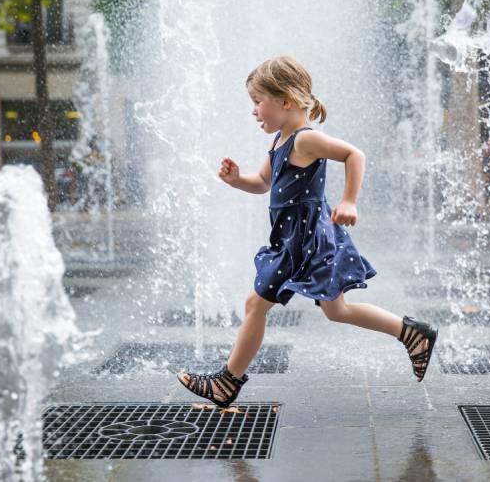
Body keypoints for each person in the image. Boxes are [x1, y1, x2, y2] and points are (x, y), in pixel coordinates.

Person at [176, 56, 439, 407]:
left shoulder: (305, 140)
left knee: (255, 304)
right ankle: (412, 333)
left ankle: (227, 381)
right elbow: (263, 183)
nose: (254, 112)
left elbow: (353, 154)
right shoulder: (279, 142)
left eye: (258, 102)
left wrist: (348, 200)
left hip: (305, 239)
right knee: (337, 310)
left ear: (285, 100)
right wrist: (238, 180)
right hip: (293, 237)